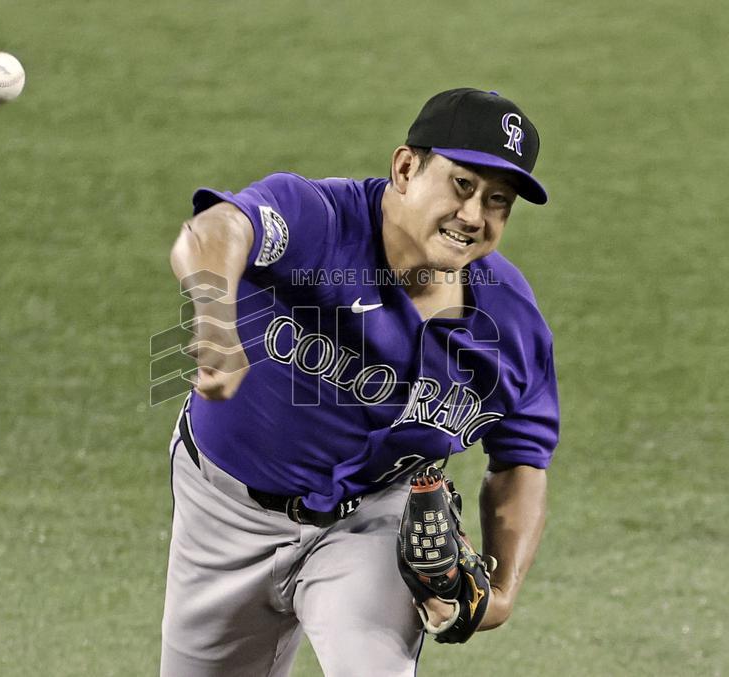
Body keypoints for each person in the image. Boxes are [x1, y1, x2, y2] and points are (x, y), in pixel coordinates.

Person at [160, 88, 559, 676]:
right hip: (224, 512)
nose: (474, 216)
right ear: (405, 168)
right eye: (462, 185)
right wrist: (216, 318)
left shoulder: (512, 325)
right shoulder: (322, 220)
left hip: (369, 524)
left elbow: (522, 459)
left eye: (498, 201)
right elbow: (213, 230)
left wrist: (500, 595)